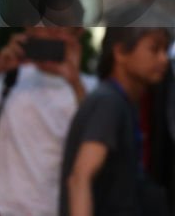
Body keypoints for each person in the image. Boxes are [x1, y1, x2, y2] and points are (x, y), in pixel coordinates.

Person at [0, 26, 96, 216]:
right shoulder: (8, 75)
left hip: (48, 209)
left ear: (77, 34)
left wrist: (74, 82)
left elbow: (94, 143)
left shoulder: (90, 88)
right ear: (29, 31)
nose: (49, 36)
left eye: (59, 29)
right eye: (43, 29)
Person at [60, 14, 173, 216]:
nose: (163, 59)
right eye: (154, 49)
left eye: (165, 50)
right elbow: (80, 178)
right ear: (120, 52)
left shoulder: (122, 102)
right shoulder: (109, 102)